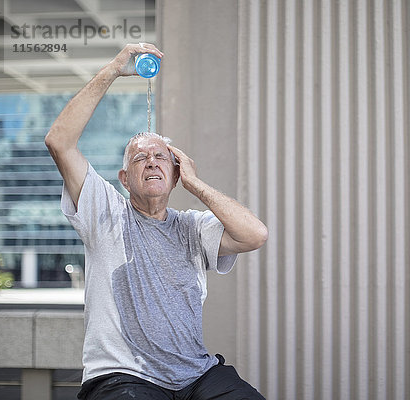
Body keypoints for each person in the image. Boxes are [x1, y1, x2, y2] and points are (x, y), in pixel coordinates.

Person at [45, 43, 268, 400]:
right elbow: (59, 141)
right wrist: (114, 70)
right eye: (140, 158)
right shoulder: (106, 213)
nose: (151, 161)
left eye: (161, 157)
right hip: (123, 377)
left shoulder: (194, 228)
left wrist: (196, 184)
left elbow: (255, 234)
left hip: (197, 375)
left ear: (175, 173)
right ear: (124, 178)